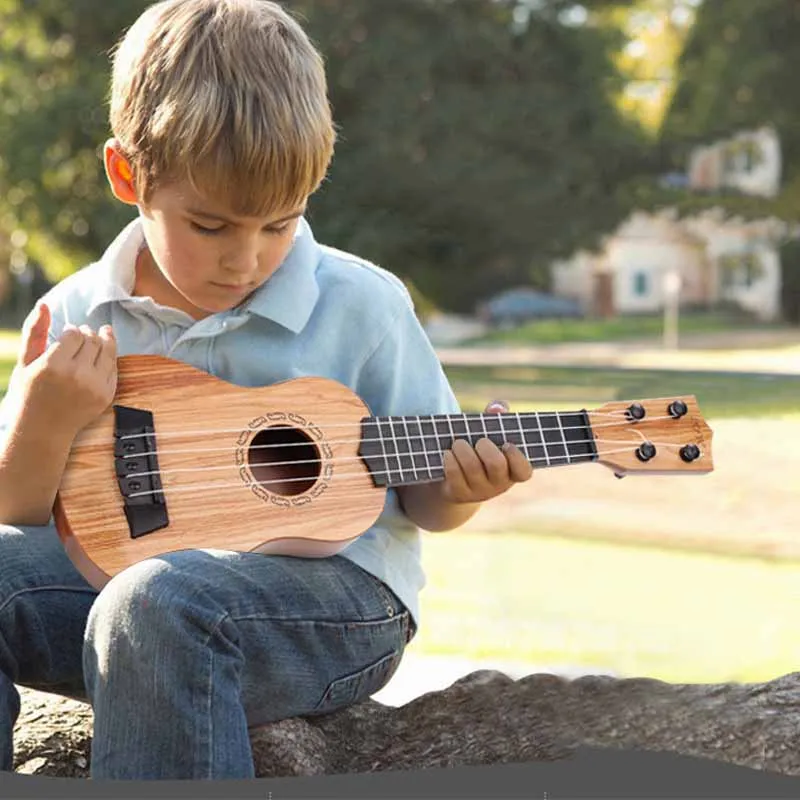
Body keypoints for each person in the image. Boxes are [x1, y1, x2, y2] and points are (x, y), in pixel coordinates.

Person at [0, 0, 533, 780]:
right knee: (135, 598)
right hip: (120, 594)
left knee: (158, 603)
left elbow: (426, 501)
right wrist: (47, 417)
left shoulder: (363, 304)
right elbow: (16, 512)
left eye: (279, 224)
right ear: (127, 174)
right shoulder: (75, 313)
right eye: (210, 227)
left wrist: (465, 489)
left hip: (335, 603)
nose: (244, 260)